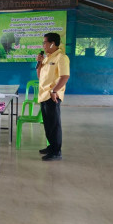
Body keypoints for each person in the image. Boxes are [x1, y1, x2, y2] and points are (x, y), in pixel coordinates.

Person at [36, 32, 70, 161]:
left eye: (45, 42)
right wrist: (39, 63)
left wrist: (55, 91)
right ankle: (51, 146)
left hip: (53, 96)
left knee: (54, 124)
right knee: (48, 124)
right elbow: (40, 77)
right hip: (44, 95)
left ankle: (56, 152)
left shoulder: (61, 57)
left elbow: (65, 76)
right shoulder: (47, 58)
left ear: (53, 44)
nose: (43, 45)